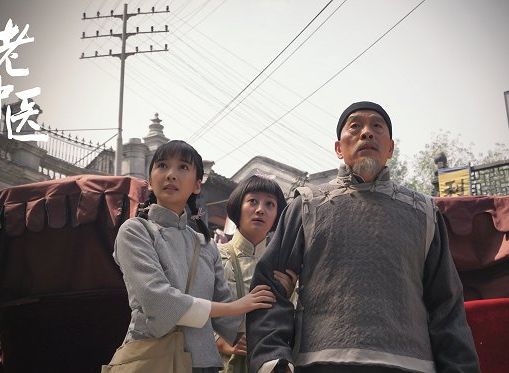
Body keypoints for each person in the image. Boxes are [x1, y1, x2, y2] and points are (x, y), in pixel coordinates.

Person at [247, 102, 480, 373]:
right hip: (321, 365)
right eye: (355, 126)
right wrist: (271, 358)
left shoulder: (425, 212)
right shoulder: (307, 206)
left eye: (376, 126)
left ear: (390, 148)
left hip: (409, 366)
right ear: (338, 148)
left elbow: (447, 304)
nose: (366, 133)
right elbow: (268, 288)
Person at [112, 140, 276, 373]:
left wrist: (273, 325)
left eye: (182, 168)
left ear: (197, 185)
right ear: (150, 179)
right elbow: (158, 300)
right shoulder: (135, 231)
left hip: (204, 364)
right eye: (162, 166)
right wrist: (236, 307)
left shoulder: (206, 245)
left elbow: (228, 317)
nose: (170, 175)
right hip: (153, 359)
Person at [216, 175, 297, 373]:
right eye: (252, 201)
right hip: (221, 362)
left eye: (270, 204)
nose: (260, 209)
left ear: (278, 215)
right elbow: (197, 300)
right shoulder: (214, 255)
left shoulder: (283, 268)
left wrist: (286, 295)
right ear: (238, 206)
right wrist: (219, 340)